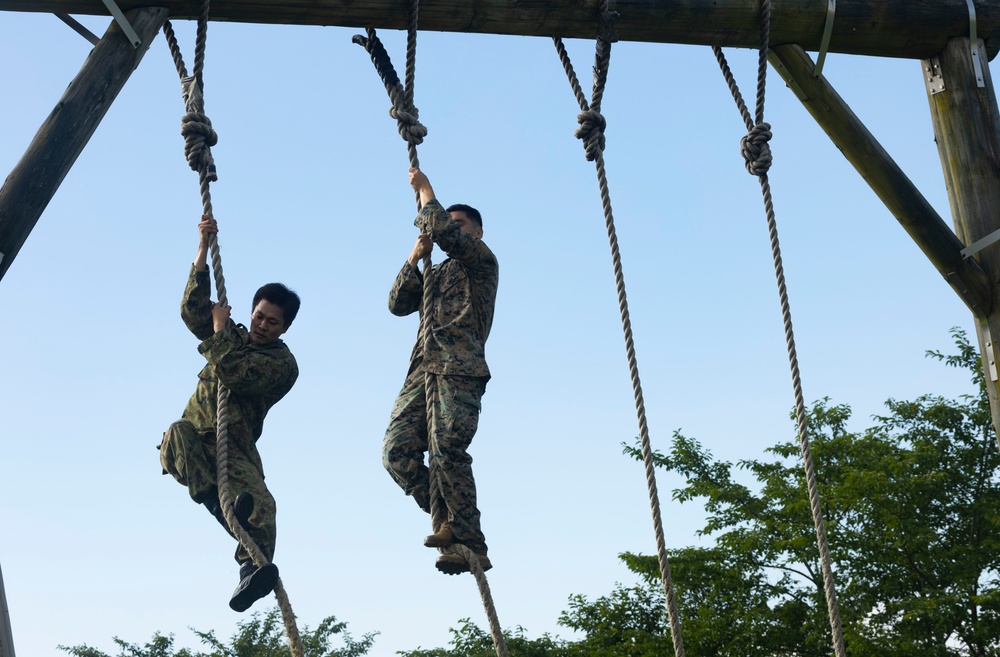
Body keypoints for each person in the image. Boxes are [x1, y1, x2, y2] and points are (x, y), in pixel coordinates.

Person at [159, 214, 300, 612]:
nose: (262, 325)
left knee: (263, 507)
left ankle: (249, 574)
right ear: (251, 310)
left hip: (234, 446)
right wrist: (202, 249)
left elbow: (236, 372)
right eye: (258, 316)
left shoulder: (283, 365)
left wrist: (221, 334)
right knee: (175, 434)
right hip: (195, 439)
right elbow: (192, 310)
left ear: (284, 328)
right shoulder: (232, 332)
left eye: (272, 322)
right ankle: (225, 512)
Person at [383, 168, 499, 575]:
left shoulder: (481, 265)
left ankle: (470, 540)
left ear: (477, 233)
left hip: (458, 369)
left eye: (460, 223)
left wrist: (425, 191)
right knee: (396, 453)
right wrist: (415, 258)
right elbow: (398, 303)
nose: (450, 229)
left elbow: (445, 232)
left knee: (447, 449)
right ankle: (445, 516)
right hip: (422, 372)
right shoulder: (438, 271)